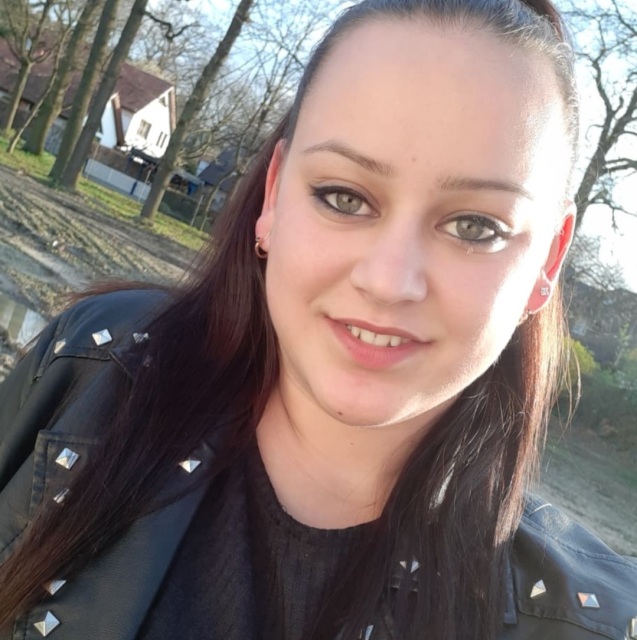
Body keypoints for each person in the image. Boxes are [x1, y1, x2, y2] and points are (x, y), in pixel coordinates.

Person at [0, 0, 635, 638]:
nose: (388, 281)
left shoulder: (590, 624)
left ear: (548, 260)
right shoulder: (93, 367)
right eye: (344, 197)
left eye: (475, 226)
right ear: (274, 196)